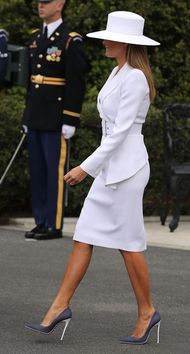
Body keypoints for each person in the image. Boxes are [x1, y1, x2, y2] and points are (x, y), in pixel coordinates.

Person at [25, 11, 161, 345]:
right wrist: (95, 169)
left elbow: (120, 135)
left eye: (109, 37)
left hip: (127, 171)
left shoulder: (135, 79)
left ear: (125, 43)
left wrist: (85, 167)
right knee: (84, 235)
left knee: (128, 246)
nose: (104, 41)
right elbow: (110, 133)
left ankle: (147, 312)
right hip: (110, 169)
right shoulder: (119, 73)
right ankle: (59, 306)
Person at [22, 0, 87, 240]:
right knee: (37, 171)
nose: (41, 6)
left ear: (60, 4)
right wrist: (26, 115)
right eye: (39, 2)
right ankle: (41, 220)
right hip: (37, 115)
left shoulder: (70, 40)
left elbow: (76, 83)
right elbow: (32, 82)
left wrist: (71, 118)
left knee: (54, 172)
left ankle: (54, 223)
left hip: (56, 117)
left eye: (46, 2)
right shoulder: (35, 38)